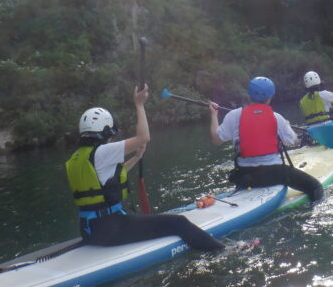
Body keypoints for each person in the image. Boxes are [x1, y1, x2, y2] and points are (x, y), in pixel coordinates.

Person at [66, 84, 223, 251]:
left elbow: (108, 180)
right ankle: (222, 251)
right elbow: (143, 137)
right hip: (111, 229)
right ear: (104, 131)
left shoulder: (77, 157)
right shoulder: (102, 151)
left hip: (90, 230)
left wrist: (136, 157)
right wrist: (139, 104)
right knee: (178, 222)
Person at [209, 76, 324, 203]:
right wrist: (287, 126)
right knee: (316, 187)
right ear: (270, 98)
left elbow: (216, 140)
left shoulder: (233, 116)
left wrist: (214, 115)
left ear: (249, 94)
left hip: (245, 176)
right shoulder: (277, 118)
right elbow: (294, 141)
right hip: (274, 175)